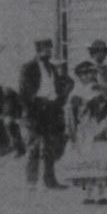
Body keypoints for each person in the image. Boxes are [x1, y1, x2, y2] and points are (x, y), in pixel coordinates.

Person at [57, 61, 107, 200]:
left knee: (101, 158)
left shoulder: (100, 90)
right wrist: (71, 130)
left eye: (91, 73)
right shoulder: (76, 92)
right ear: (79, 76)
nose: (89, 76)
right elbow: (71, 113)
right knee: (86, 160)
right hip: (84, 130)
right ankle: (88, 193)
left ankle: (101, 193)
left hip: (99, 127)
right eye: (85, 74)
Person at [18, 39, 69, 190]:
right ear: (38, 50)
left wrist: (58, 102)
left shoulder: (52, 68)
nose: (48, 52)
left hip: (51, 111)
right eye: (45, 49)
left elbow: (58, 88)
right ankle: (30, 181)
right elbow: (24, 92)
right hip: (35, 111)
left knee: (50, 147)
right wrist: (32, 109)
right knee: (34, 146)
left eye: (49, 49)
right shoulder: (28, 68)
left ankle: (50, 180)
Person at [86, 39, 107, 109]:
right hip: (96, 102)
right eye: (102, 52)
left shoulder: (106, 68)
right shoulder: (90, 68)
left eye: (105, 52)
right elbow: (91, 87)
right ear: (94, 53)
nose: (104, 55)